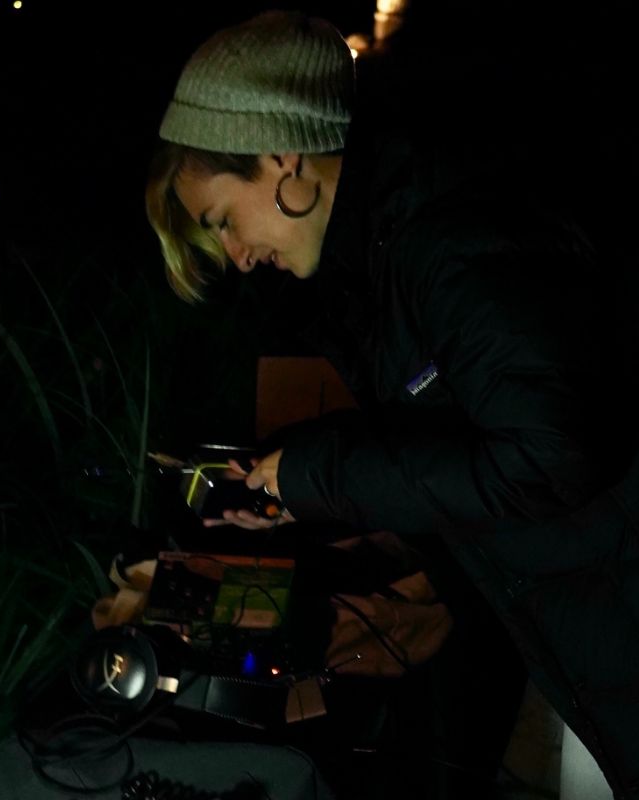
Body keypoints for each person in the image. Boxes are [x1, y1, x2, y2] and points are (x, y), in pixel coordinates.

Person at [145, 9, 639, 800]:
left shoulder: (448, 238)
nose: (238, 257)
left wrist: (316, 473)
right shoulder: (379, 263)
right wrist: (290, 484)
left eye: (223, 221)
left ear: (280, 157)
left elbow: (549, 457)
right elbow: (448, 441)